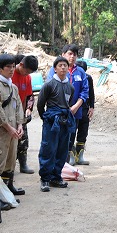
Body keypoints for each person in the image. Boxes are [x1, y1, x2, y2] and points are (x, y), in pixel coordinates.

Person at [0, 53, 25, 199]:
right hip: (0, 131)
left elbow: (18, 106)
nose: (12, 69)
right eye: (8, 67)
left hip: (14, 130)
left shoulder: (13, 87)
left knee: (10, 160)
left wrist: (20, 125)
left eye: (13, 66)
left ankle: (8, 189)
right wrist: (9, 128)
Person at [36, 56, 76, 192]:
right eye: (60, 65)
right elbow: (40, 103)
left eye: (65, 65)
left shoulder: (70, 87)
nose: (63, 67)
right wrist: (46, 118)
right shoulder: (48, 85)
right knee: (48, 148)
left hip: (64, 121)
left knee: (62, 149)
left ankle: (56, 176)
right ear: (55, 68)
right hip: (52, 121)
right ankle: (45, 178)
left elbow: (69, 103)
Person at [47, 44, 89, 165]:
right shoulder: (54, 70)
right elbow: (49, 89)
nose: (72, 57)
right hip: (57, 112)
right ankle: (54, 164)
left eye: (74, 54)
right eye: (70, 54)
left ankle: (65, 163)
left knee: (70, 137)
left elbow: (85, 92)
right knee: (56, 138)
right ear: (63, 55)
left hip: (75, 112)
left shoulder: (80, 72)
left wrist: (76, 107)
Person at [12, 54, 39, 174]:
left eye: (29, 73)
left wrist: (22, 116)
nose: (26, 74)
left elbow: (25, 97)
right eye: (26, 71)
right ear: (21, 64)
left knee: (23, 140)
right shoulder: (10, 74)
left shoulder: (27, 78)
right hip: (7, 113)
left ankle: (23, 164)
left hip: (19, 113)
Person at [73, 60, 95, 165]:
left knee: (83, 132)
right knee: (72, 131)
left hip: (85, 109)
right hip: (74, 108)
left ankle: (79, 156)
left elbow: (91, 93)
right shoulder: (72, 76)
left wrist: (92, 107)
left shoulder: (88, 78)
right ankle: (71, 156)